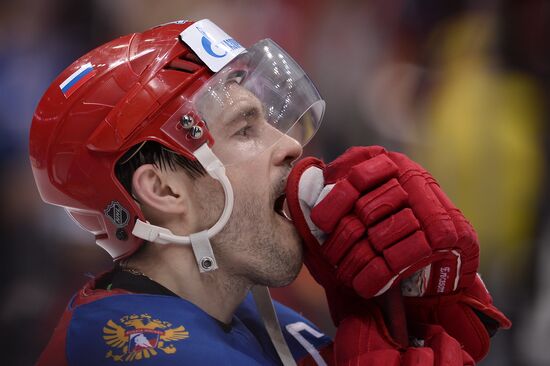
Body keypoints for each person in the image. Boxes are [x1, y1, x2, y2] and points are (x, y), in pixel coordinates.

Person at [30, 19, 510, 366]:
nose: (290, 145)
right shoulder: (138, 349)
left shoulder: (234, 304)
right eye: (245, 129)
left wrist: (401, 305)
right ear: (163, 189)